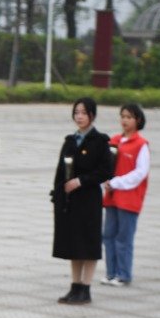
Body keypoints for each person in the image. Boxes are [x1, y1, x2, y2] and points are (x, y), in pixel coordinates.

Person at [52, 97, 112, 305]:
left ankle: (85, 288)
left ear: (92, 115)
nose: (79, 116)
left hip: (88, 200)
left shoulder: (100, 141)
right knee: (73, 244)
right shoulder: (70, 141)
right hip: (71, 202)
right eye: (76, 112)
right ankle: (75, 286)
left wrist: (81, 181)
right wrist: (58, 195)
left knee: (88, 244)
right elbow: (60, 171)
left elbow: (105, 171)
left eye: (84, 113)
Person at [101, 104, 150, 286]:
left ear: (138, 120)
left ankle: (124, 274)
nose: (124, 120)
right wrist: (104, 180)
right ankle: (111, 272)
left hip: (129, 198)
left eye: (129, 117)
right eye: (122, 116)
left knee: (124, 238)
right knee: (108, 235)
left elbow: (140, 172)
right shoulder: (114, 141)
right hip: (112, 197)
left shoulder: (141, 144)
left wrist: (117, 182)